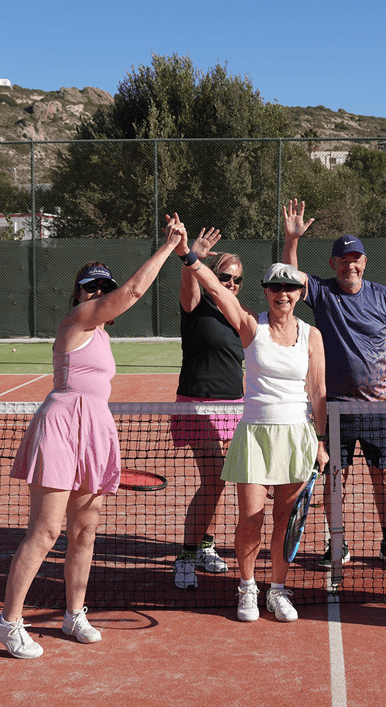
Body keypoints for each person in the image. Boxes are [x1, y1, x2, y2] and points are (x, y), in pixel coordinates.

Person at [0, 216, 187, 659]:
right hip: (61, 426)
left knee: (85, 531)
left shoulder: (100, 336)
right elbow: (132, 293)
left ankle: (74, 613)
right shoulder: (75, 323)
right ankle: (8, 622)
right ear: (79, 295)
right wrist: (167, 247)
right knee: (45, 531)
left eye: (103, 287)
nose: (98, 294)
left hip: (94, 430)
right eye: (91, 288)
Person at [184, 251, 330, 623]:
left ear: (300, 292)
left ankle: (277, 590)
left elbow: (318, 391)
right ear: (266, 292)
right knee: (251, 518)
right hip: (254, 435)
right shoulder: (252, 326)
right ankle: (248, 589)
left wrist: (322, 441)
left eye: (290, 287)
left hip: (297, 436)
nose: (283, 293)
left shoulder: (312, 336)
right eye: (276, 287)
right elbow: (217, 290)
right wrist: (190, 256)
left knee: (285, 519)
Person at [281, 199, 386, 570]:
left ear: (364, 262)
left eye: (356, 259)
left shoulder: (382, 295)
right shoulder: (323, 294)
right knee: (334, 479)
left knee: (382, 477)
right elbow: (289, 276)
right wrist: (292, 239)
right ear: (333, 265)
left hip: (377, 406)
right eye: (343, 260)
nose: (350, 265)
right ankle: (336, 542)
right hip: (336, 407)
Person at [170, 228, 246, 589]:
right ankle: (186, 555)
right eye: (225, 276)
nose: (230, 283)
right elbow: (189, 287)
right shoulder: (196, 305)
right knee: (214, 478)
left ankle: (204, 545)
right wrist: (191, 258)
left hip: (235, 407)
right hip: (198, 404)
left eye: (236, 279)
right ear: (214, 275)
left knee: (219, 481)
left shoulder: (239, 315)